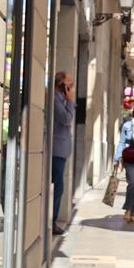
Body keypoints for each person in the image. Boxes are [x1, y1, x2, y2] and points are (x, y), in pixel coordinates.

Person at [51, 71, 76, 236]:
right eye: (70, 84)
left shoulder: (60, 99)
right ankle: (51, 222)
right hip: (55, 150)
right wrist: (71, 101)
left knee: (58, 187)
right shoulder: (55, 99)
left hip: (60, 150)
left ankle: (51, 221)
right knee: (57, 187)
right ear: (63, 86)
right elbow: (66, 119)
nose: (73, 87)